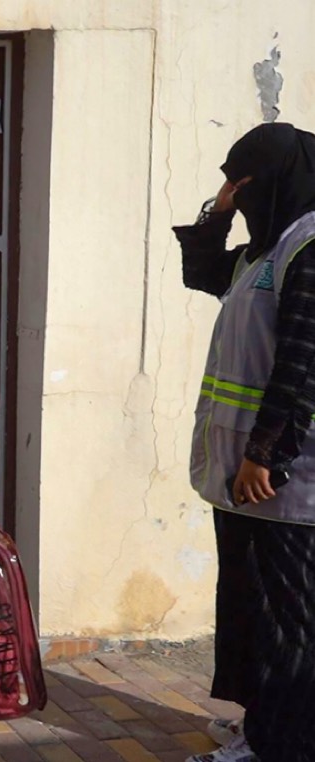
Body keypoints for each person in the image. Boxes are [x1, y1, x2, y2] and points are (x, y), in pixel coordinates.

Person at [175, 122, 315, 762]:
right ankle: (264, 728)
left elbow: (302, 361)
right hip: (246, 478)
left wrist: (265, 455)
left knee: (288, 621)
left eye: (242, 181)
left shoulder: (306, 247)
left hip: (285, 481)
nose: (234, 189)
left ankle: (280, 744)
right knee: (252, 610)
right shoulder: (264, 250)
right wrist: (219, 211)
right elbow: (201, 271)